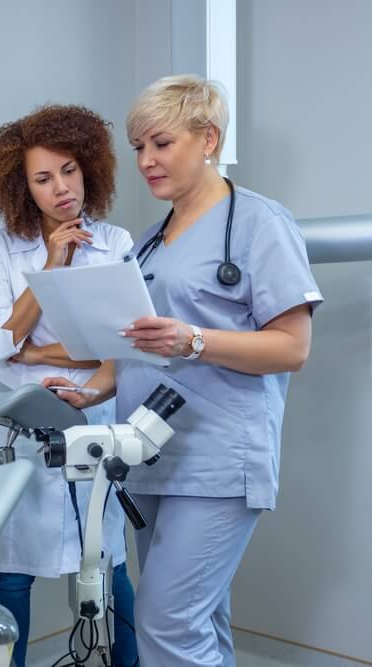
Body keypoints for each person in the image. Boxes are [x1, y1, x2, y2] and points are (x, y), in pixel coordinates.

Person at [44, 75, 322, 667]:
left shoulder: (259, 224)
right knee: (201, 619)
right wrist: (87, 389)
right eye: (138, 146)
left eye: (161, 143)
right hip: (150, 456)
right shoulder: (147, 244)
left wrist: (193, 339)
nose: (145, 161)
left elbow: (292, 347)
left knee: (166, 622)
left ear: (208, 139)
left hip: (218, 457)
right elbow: (136, 353)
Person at [0, 104, 138, 667]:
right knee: (12, 573)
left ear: (87, 167)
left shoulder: (115, 242)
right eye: (43, 178)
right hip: (18, 427)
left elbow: (122, 348)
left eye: (68, 170)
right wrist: (50, 263)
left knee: (107, 562)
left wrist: (37, 348)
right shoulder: (2, 248)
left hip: (90, 416)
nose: (61, 188)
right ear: (22, 188)